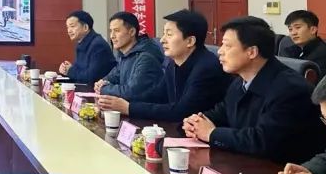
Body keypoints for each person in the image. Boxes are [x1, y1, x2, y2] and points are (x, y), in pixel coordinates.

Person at [183, 16, 326, 163]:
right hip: (247, 164)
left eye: (227, 46)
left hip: (285, 170)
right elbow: (221, 113)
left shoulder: (290, 89)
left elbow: (263, 141)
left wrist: (211, 134)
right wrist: (195, 123)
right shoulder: (239, 82)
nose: (220, 51)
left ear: (252, 52)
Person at [98, 9, 230, 121]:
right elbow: (157, 95)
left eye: (169, 34)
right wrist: (119, 103)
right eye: (164, 34)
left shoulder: (206, 67)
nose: (162, 40)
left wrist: (129, 108)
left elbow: (181, 112)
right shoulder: (173, 64)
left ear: (190, 41)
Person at [94, 12, 166, 102]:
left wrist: (104, 89)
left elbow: (132, 93)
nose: (112, 36)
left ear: (132, 32)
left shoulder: (146, 57)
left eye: (116, 31)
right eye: (111, 31)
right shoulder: (124, 55)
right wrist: (100, 83)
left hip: (143, 110)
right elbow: (112, 77)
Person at [58, 10, 116, 86]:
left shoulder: (98, 45)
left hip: (97, 90)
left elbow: (91, 77)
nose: (69, 31)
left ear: (85, 27)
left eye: (72, 26)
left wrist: (70, 71)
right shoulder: (81, 43)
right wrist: (66, 69)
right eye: (67, 27)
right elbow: (80, 71)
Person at [278, 9, 326, 76]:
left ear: (313, 30)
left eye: (298, 27)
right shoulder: (290, 51)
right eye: (290, 29)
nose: (293, 33)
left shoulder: (324, 55)